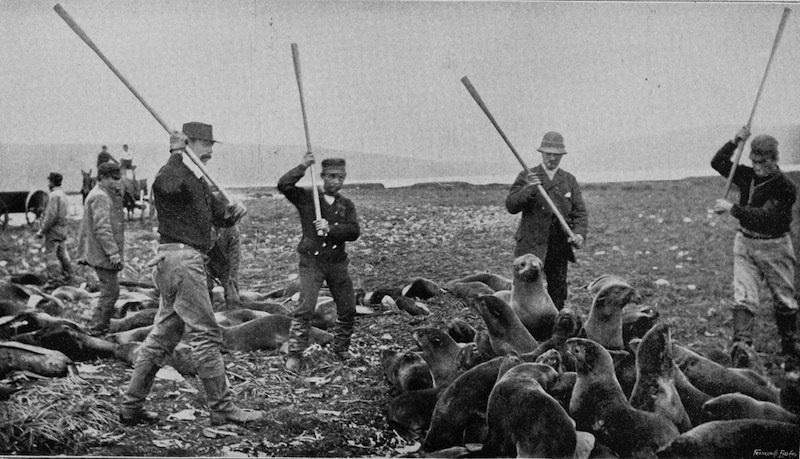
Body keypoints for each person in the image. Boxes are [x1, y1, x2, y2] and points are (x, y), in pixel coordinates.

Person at [120, 121, 263, 426]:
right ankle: (222, 408)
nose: (211, 151)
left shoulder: (197, 179)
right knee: (206, 334)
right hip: (183, 261)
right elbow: (163, 186)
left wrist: (231, 214)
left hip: (181, 261)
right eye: (207, 145)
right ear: (190, 144)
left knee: (164, 335)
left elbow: (212, 218)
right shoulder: (174, 172)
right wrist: (174, 153)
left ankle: (131, 407)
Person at [711, 126, 800, 363]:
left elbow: (767, 217)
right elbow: (718, 162)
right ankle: (742, 350)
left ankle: (791, 351)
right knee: (743, 297)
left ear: (774, 160)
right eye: (754, 161)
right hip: (745, 244)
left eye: (763, 162)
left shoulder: (786, 187)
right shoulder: (746, 175)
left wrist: (733, 209)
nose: (758, 167)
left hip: (775, 247)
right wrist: (734, 141)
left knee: (784, 299)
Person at [278, 153, 360, 371]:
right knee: (305, 308)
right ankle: (295, 353)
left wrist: (330, 229)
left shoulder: (346, 205)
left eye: (341, 177)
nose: (336, 181)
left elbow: (354, 231)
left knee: (348, 307)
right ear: (322, 176)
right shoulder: (307, 197)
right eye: (332, 176)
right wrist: (303, 165)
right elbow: (283, 185)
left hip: (337, 263)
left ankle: (341, 348)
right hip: (312, 262)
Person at [505, 131, 588, 309]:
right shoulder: (528, 175)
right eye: (548, 154)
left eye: (556, 155)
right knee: (524, 291)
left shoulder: (568, 180)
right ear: (541, 153)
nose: (552, 158)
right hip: (530, 245)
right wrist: (529, 189)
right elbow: (511, 206)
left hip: (558, 246)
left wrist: (579, 234)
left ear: (562, 156)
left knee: (557, 292)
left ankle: (554, 328)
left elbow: (580, 212)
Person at [76, 162, 125, 333]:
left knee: (110, 290)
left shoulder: (97, 193)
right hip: (102, 253)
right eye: (113, 179)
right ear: (103, 178)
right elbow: (102, 228)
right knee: (110, 291)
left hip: (98, 251)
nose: (117, 183)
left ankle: (99, 324)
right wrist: (113, 253)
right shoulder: (101, 197)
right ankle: (98, 327)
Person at [36, 172, 73, 286]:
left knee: (50, 254)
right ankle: (69, 275)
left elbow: (50, 216)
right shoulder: (63, 195)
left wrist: (41, 231)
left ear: (52, 182)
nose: (48, 184)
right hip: (63, 228)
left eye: (49, 181)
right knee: (63, 253)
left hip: (53, 230)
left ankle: (54, 280)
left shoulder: (53, 195)